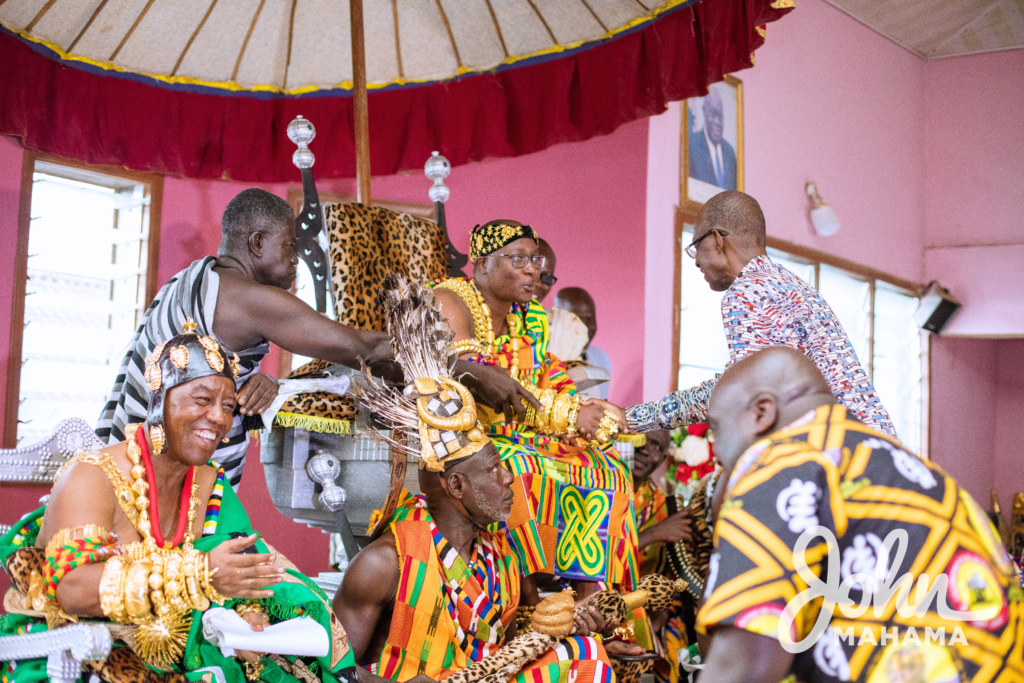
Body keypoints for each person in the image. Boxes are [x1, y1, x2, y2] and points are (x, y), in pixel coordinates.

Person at [97, 188, 532, 488]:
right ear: (257, 242)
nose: (297, 262)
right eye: (290, 248)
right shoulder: (249, 297)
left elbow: (201, 375)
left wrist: (261, 388)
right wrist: (471, 373)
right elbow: (364, 348)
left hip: (130, 460)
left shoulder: (190, 279)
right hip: (156, 476)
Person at [0, 322, 360, 683]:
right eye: (202, 400)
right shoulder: (92, 476)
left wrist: (250, 617)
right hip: (72, 645)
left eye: (228, 405)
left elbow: (244, 567)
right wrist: (199, 575)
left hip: (175, 641)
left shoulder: (210, 482)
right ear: (160, 400)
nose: (219, 418)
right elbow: (73, 589)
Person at [334, 276, 632, 683]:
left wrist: (564, 626)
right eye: (494, 469)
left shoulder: (501, 555)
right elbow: (332, 673)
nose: (510, 477)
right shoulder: (385, 564)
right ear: (455, 486)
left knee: (586, 655)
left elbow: (506, 650)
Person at [696, 347, 1023, 683]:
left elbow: (746, 665)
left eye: (716, 430)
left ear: (761, 413)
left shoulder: (783, 462)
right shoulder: (920, 474)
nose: (717, 449)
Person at [430, 221, 636, 602]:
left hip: (522, 431)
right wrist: (570, 415)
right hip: (463, 436)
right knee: (515, 469)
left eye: (536, 259)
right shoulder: (450, 301)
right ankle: (526, 603)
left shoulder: (531, 316)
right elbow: (485, 386)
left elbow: (547, 373)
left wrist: (585, 410)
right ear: (481, 263)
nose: (534, 270)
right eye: (518, 259)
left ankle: (589, 598)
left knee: (608, 468)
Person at [625, 191, 897, 440]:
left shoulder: (744, 293)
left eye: (696, 246)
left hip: (840, 453)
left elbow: (744, 396)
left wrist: (636, 418)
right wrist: (638, 417)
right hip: (878, 444)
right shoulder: (792, 284)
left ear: (717, 240)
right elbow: (740, 383)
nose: (695, 260)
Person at [535, 239, 589, 363]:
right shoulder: (486, 319)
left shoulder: (569, 326)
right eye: (530, 274)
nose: (537, 283)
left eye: (546, 278)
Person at [554, 287, 612, 400]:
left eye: (590, 320)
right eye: (576, 320)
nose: (584, 328)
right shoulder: (539, 357)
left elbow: (602, 406)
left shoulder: (601, 357)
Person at [688, 86, 737, 191]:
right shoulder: (692, 145)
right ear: (704, 111)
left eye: (720, 116)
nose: (717, 122)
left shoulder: (730, 153)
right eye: (713, 114)